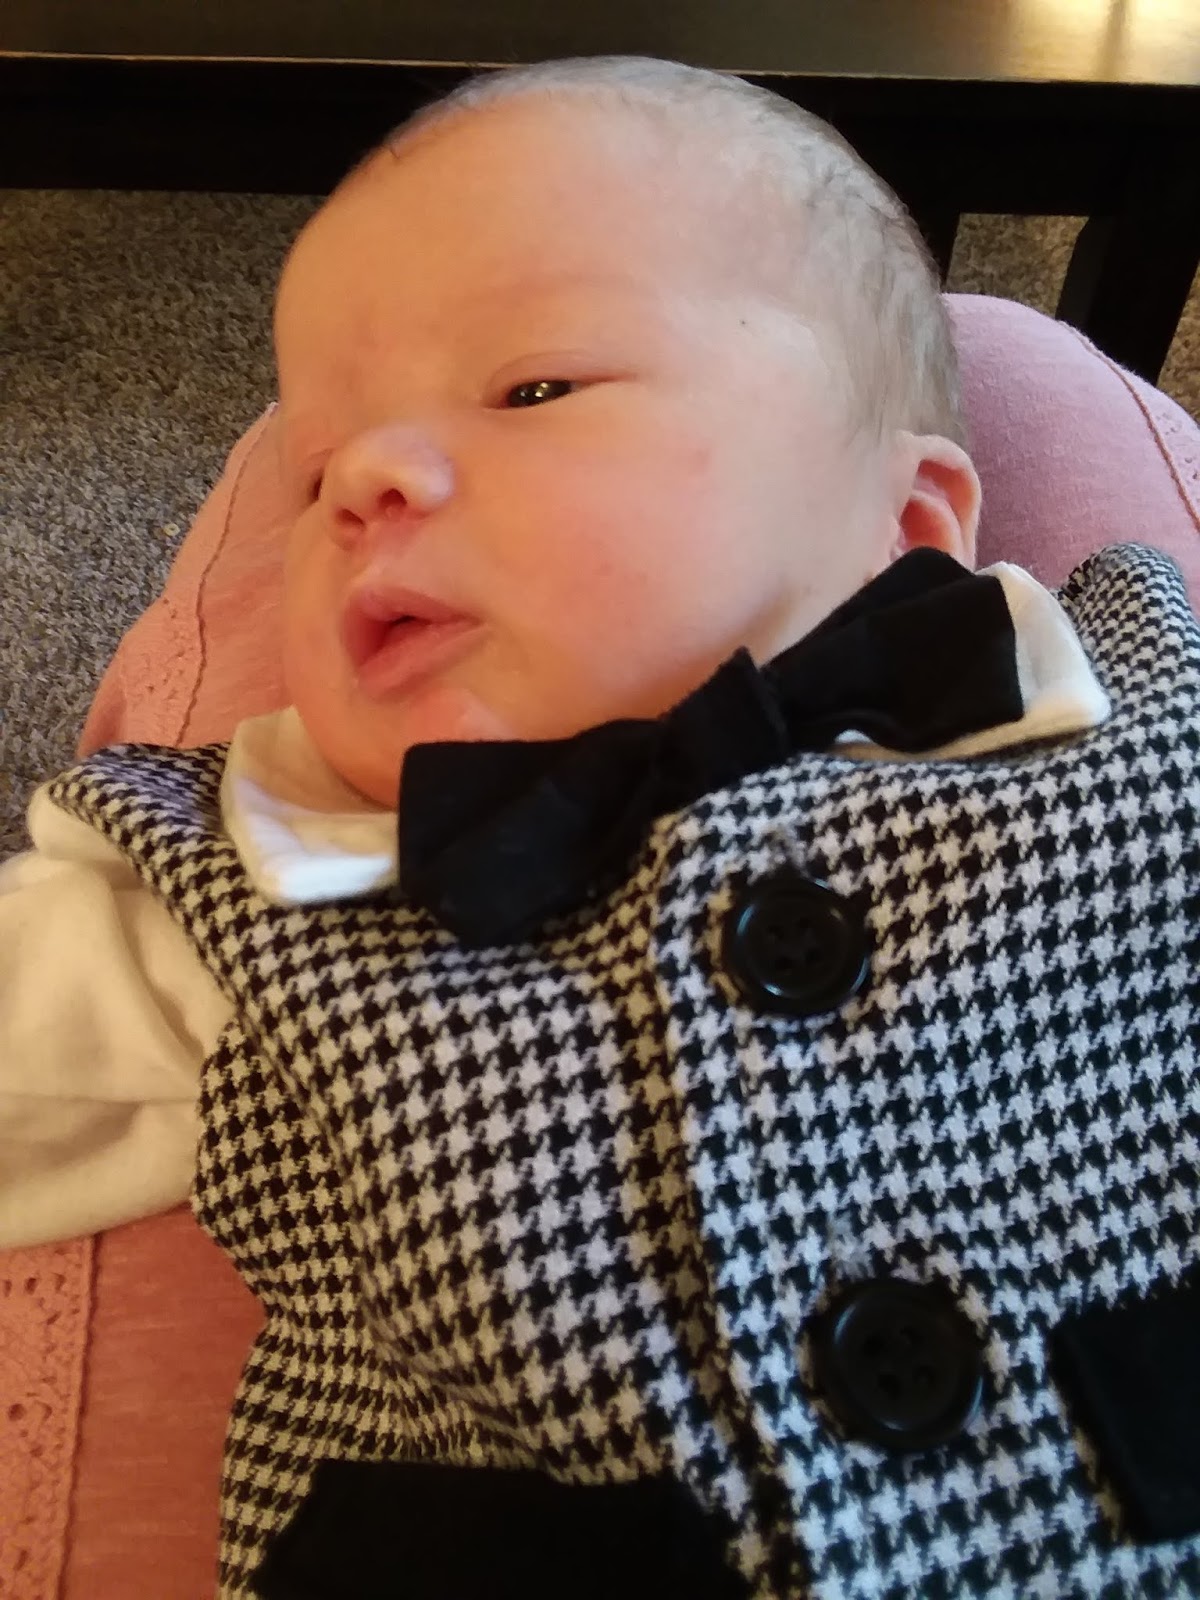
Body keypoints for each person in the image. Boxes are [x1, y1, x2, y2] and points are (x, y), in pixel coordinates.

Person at [1, 54, 1197, 1600]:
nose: (363, 480)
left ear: (907, 530)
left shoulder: (1140, 707)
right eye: (307, 475)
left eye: (534, 389)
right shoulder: (259, 886)